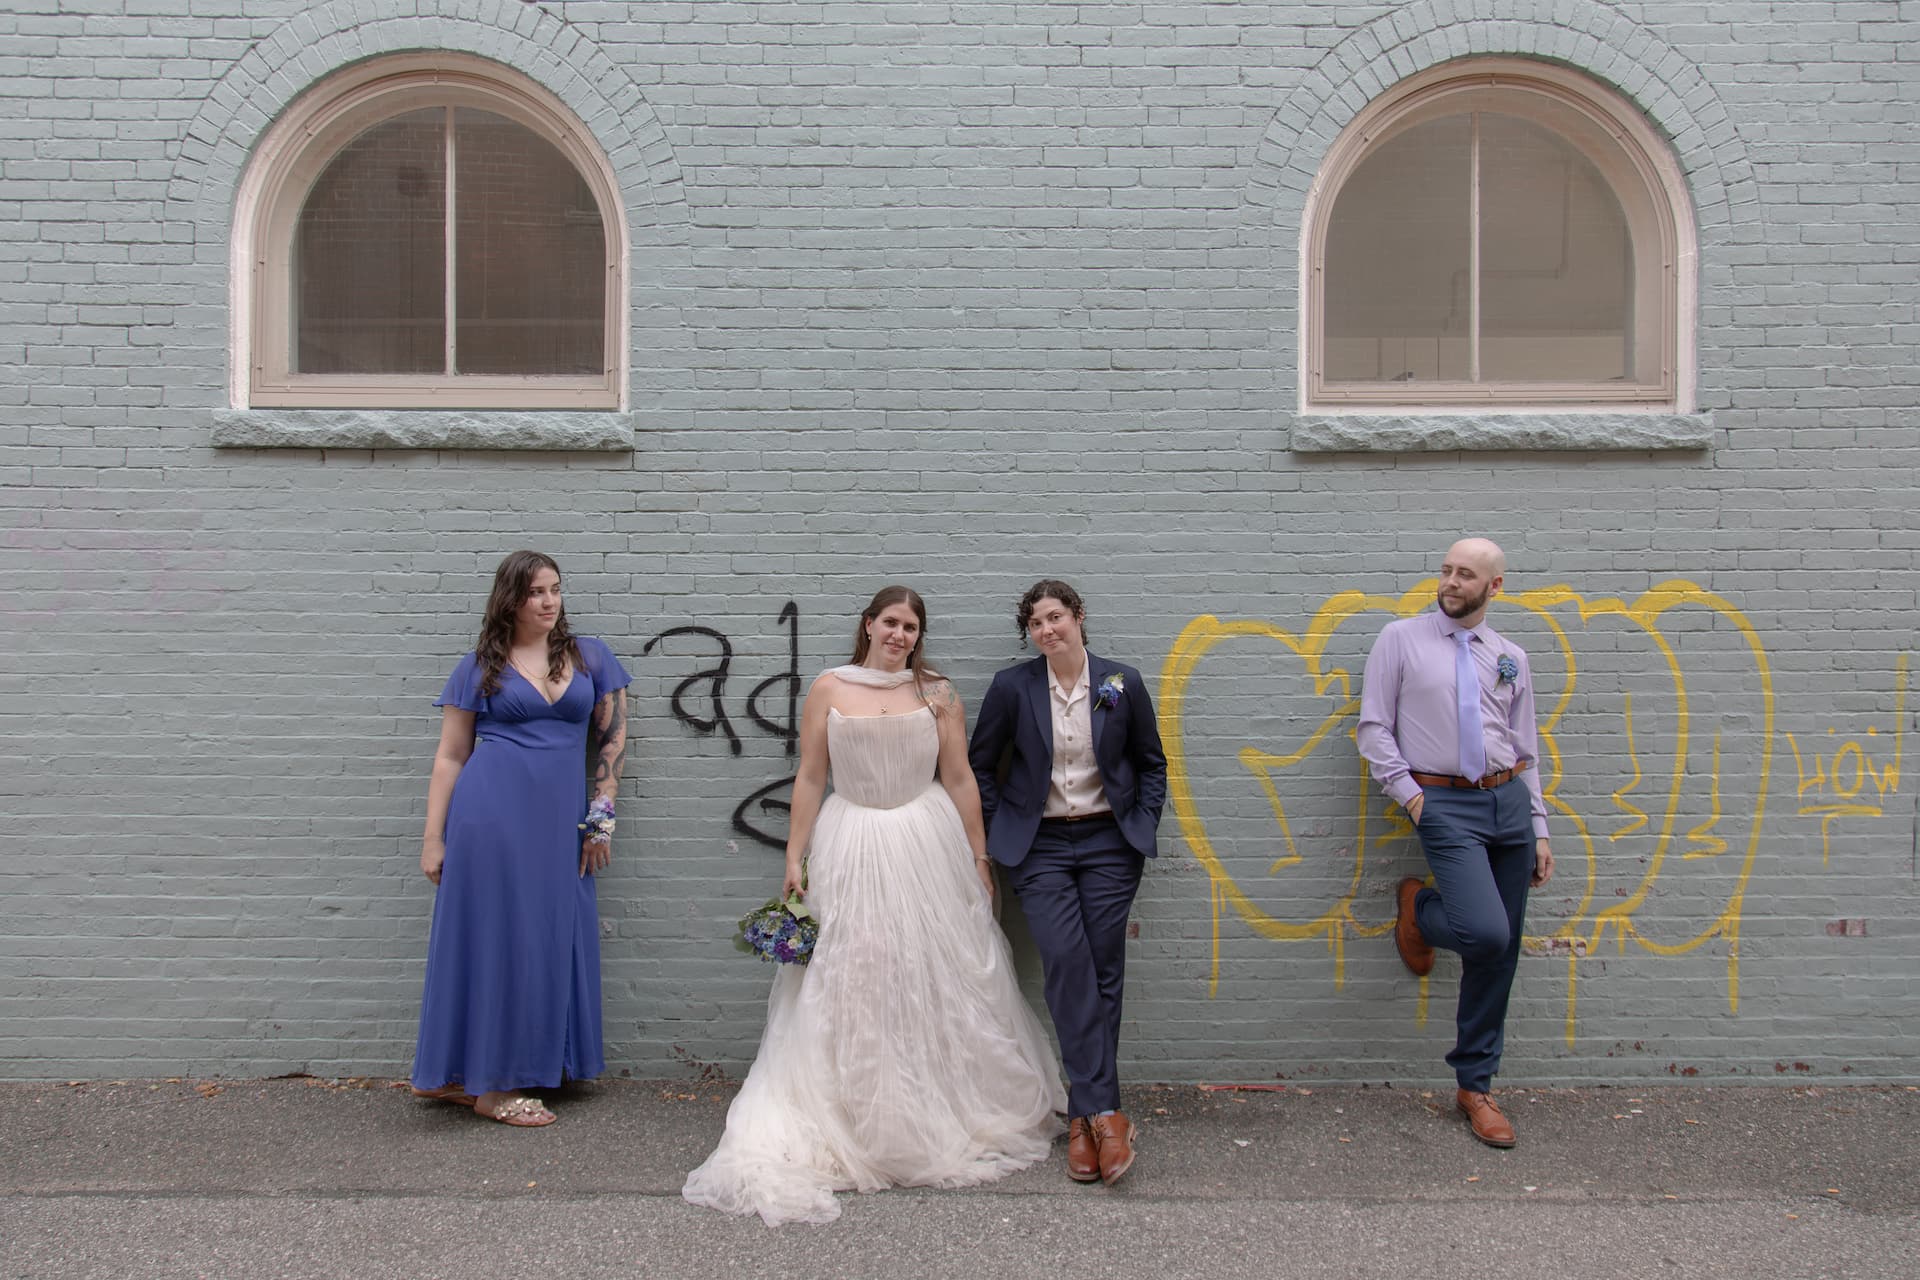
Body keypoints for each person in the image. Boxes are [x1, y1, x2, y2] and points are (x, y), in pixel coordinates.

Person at [682, 586, 1064, 1226]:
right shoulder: (830, 688)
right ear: (868, 625)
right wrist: (793, 858)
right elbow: (809, 775)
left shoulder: (937, 692)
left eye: (911, 626)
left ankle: (935, 1107)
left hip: (926, 840)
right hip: (851, 840)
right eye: (891, 622)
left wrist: (978, 855)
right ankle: (861, 1111)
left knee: (931, 972)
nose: (900, 634)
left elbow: (961, 777)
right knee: (854, 973)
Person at [409, 550, 631, 1127]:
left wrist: (600, 819)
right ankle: (492, 1086)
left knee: (548, 936)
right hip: (490, 819)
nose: (550, 601)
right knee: (494, 941)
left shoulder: (591, 657)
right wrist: (434, 837)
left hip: (560, 823)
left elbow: (612, 744)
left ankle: (505, 1069)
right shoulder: (479, 667)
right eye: (536, 592)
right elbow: (451, 755)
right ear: (510, 599)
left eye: (555, 589)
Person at [1356, 537, 1555, 1148]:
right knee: (1484, 932)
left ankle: (1476, 1084)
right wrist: (1415, 798)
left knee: (1503, 951)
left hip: (1508, 802)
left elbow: (1526, 746)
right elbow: (1372, 728)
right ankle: (1417, 907)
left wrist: (1539, 825)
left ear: (1495, 586)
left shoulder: (1510, 656)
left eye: (1465, 574)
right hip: (1444, 803)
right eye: (1445, 570)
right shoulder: (1400, 640)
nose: (1450, 581)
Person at [967, 581, 1167, 1186]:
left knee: (1104, 966)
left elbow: (1152, 762)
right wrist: (1006, 823)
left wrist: (1143, 819)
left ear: (1079, 618)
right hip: (1041, 847)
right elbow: (981, 763)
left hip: (1110, 842)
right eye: (1035, 623)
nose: (1047, 630)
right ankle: (1104, 1110)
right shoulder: (1013, 687)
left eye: (1056, 617)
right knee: (1065, 961)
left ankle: (1088, 1117)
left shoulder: (1120, 682)